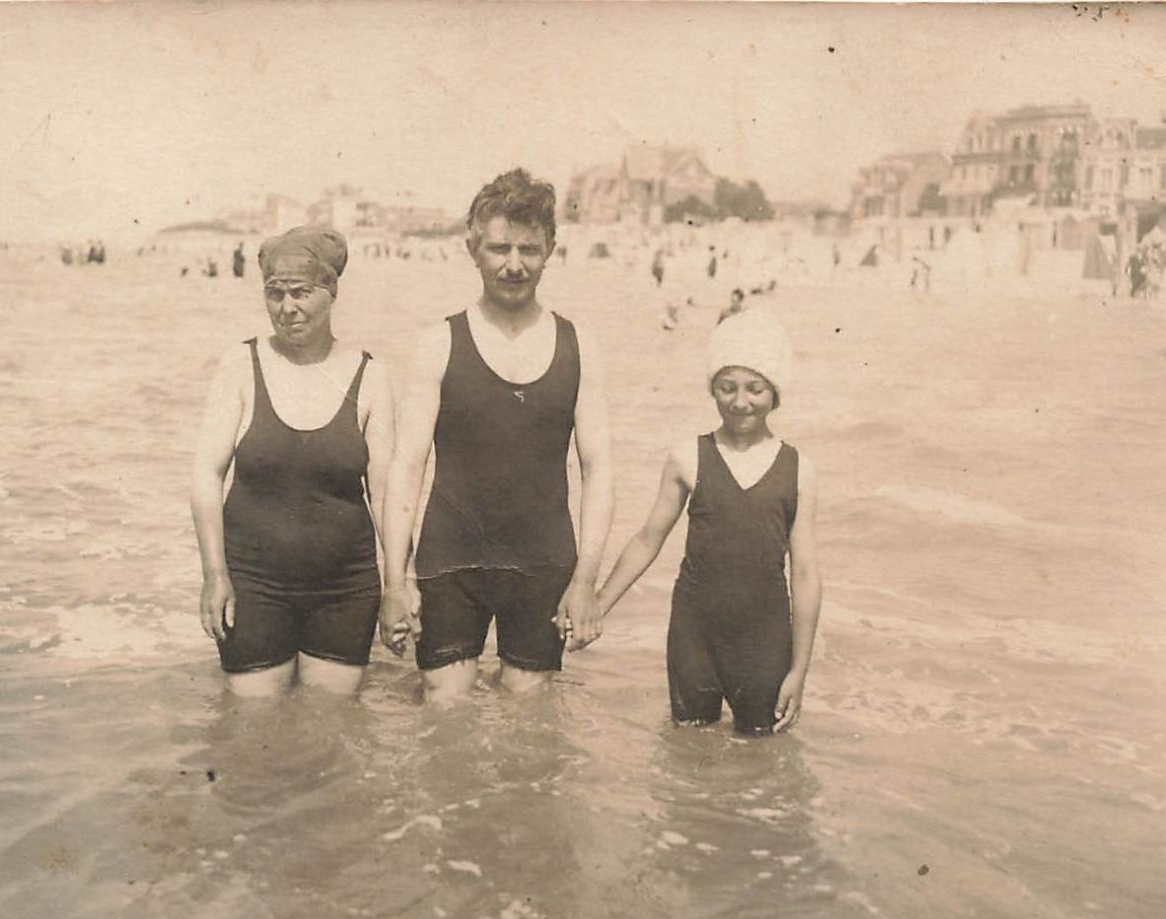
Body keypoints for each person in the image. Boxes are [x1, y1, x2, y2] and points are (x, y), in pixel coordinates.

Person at [380, 168, 613, 701]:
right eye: (499, 248)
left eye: (528, 249)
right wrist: (395, 581)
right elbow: (406, 467)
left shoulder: (579, 346)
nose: (513, 265)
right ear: (471, 247)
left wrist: (586, 581)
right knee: (444, 727)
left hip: (542, 562)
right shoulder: (439, 342)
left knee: (529, 742)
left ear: (550, 247)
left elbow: (598, 469)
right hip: (450, 559)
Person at [593, 309, 820, 732]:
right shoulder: (687, 456)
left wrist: (799, 669)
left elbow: (805, 574)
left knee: (762, 759)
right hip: (693, 632)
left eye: (756, 389)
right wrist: (599, 605)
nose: (740, 401)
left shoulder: (799, 469)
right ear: (711, 388)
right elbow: (648, 539)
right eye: (726, 387)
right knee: (688, 751)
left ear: (776, 393)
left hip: (765, 637)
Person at [190, 226, 393, 696]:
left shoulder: (370, 375)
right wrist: (214, 575)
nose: (288, 308)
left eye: (301, 293)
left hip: (346, 587)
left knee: (331, 733)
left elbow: (386, 497)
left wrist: (400, 586)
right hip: (253, 584)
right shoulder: (240, 366)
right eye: (275, 293)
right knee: (252, 734)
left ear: (332, 292)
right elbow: (205, 475)